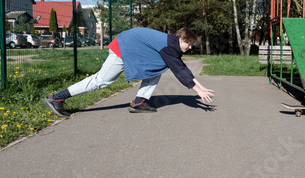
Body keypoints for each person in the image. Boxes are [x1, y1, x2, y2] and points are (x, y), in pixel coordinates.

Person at [42, 27, 214, 117]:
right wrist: (197, 91)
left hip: (131, 48)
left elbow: (182, 68)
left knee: (157, 69)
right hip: (122, 48)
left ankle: (140, 102)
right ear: (181, 39)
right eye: (189, 44)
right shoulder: (169, 46)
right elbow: (179, 71)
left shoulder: (171, 44)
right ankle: (57, 98)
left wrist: (200, 87)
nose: (190, 48)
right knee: (101, 81)